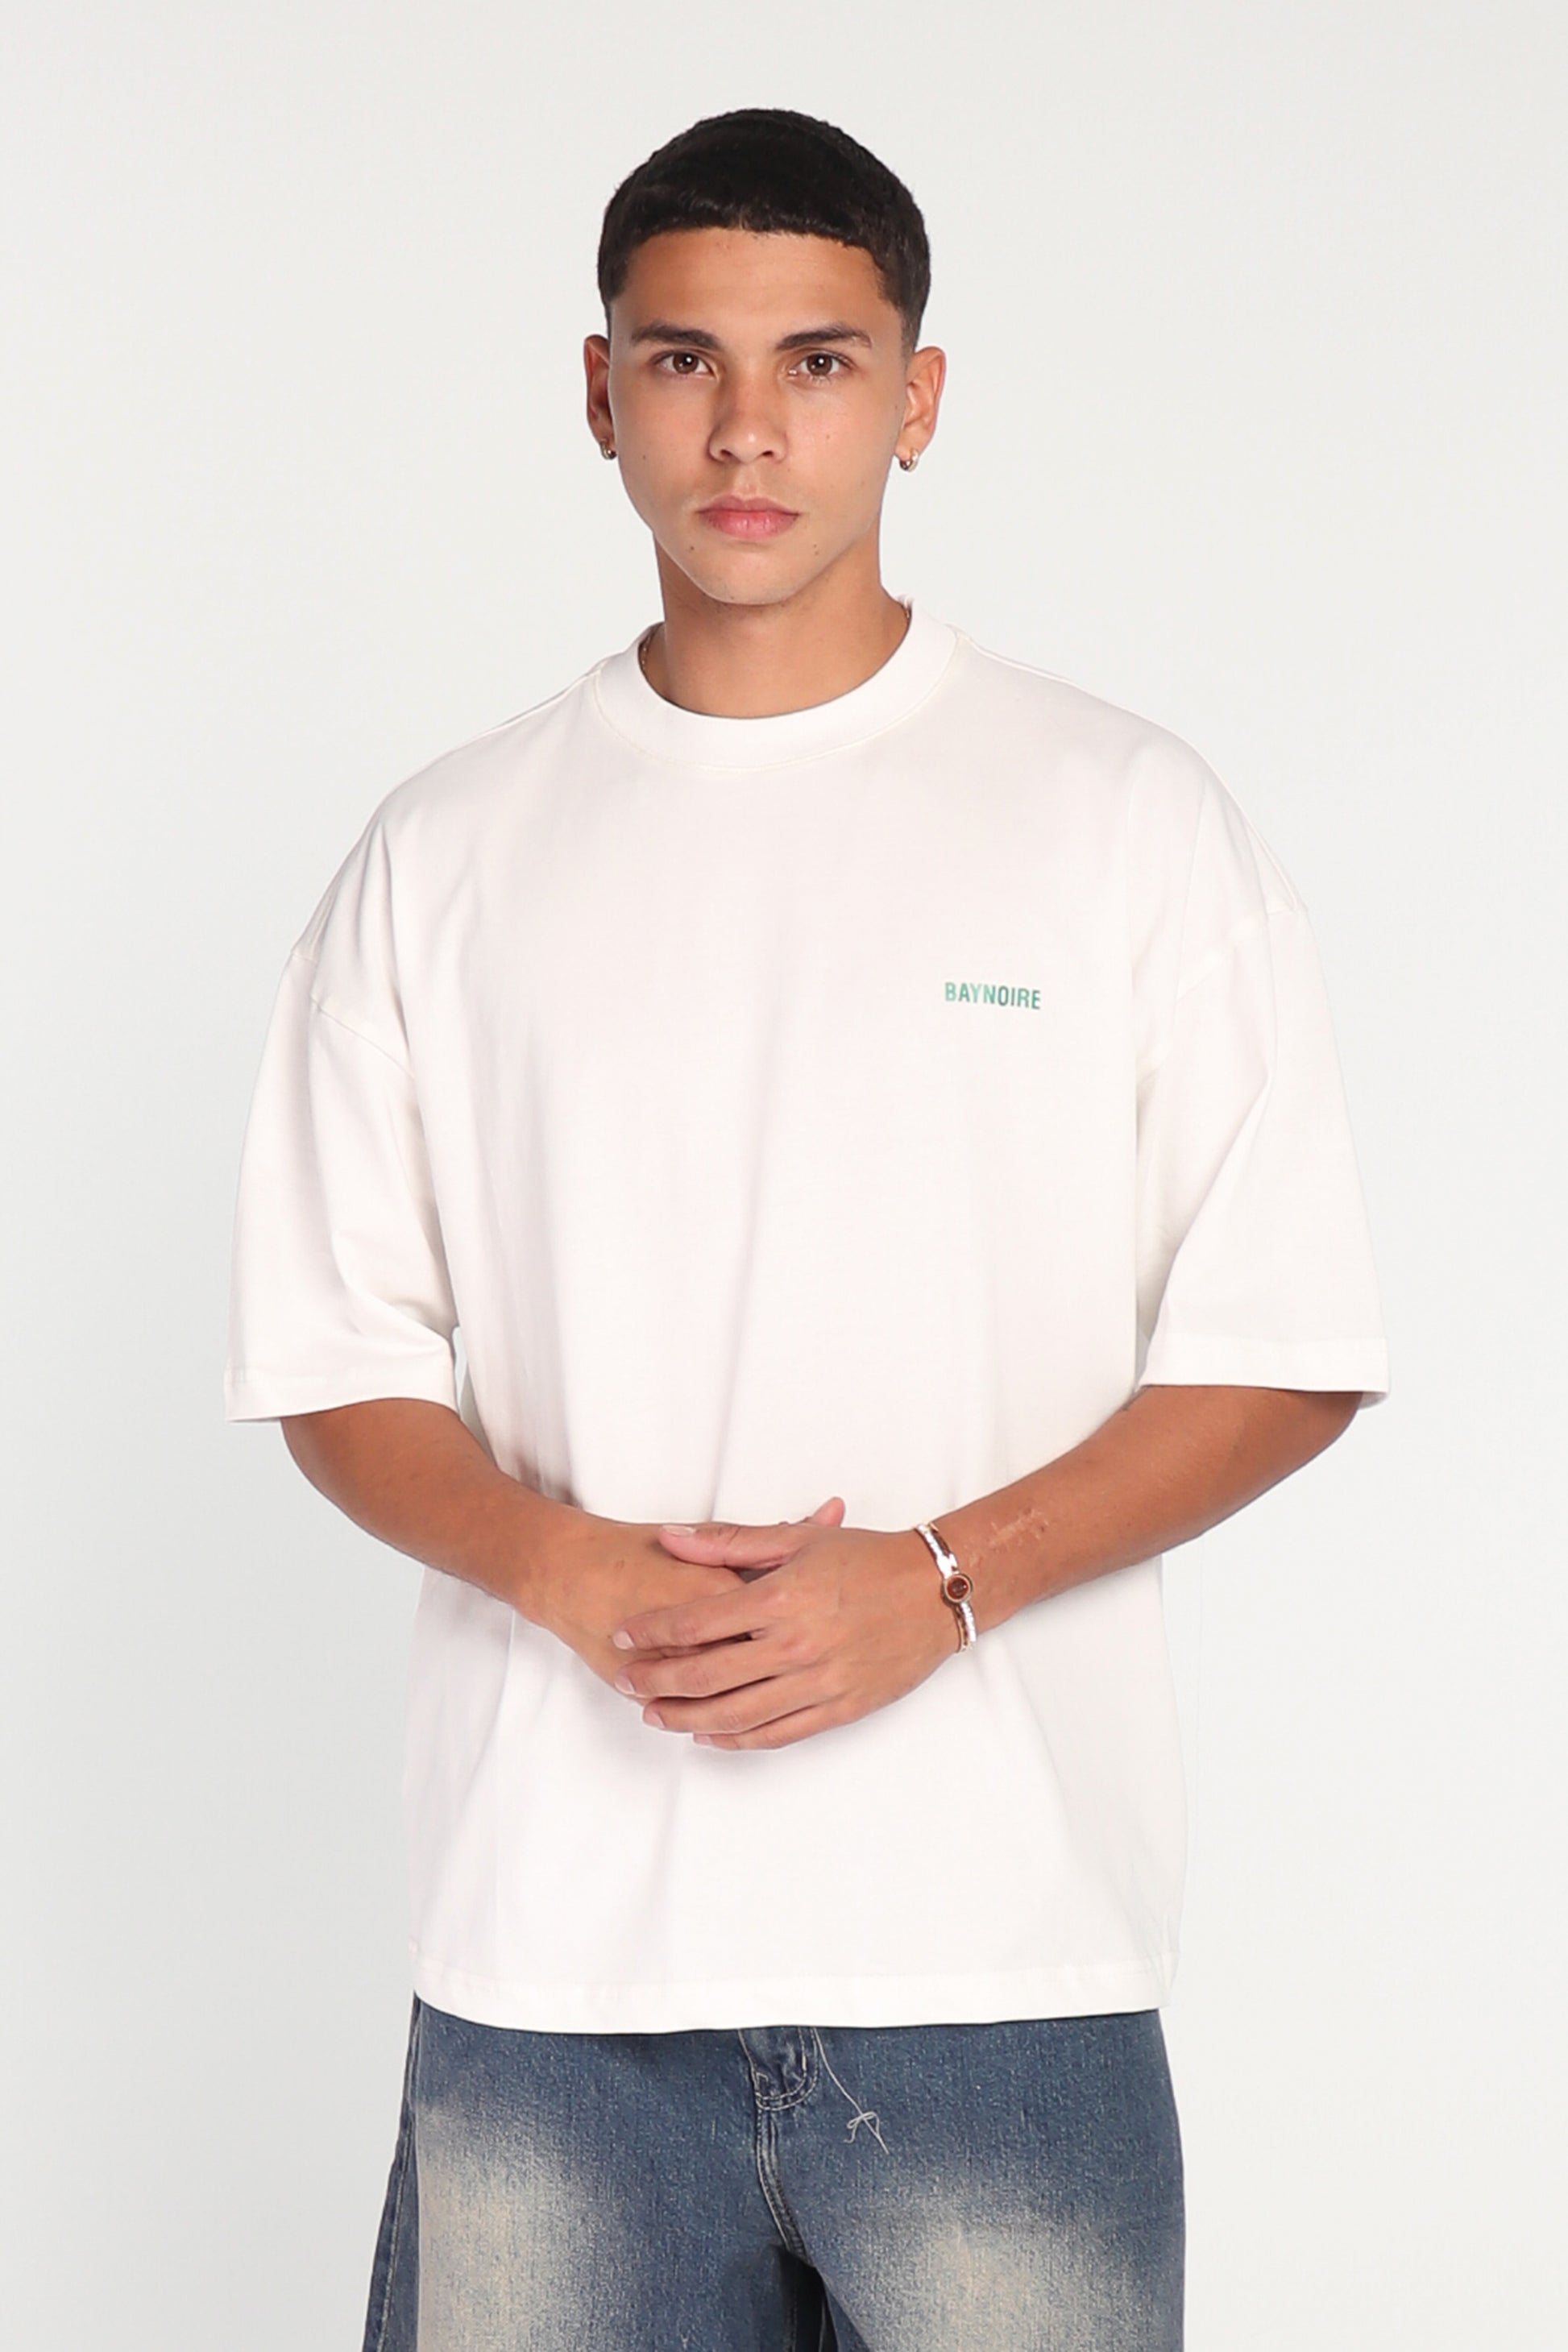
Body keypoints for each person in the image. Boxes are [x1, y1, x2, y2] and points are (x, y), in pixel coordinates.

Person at [225, 106, 1389, 2352]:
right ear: (599, 394)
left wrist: (944, 1581)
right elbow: (333, 1357)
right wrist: (562, 1565)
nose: (747, 427)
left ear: (916, 398)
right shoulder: (445, 853)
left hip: (1000, 1954)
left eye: (820, 362)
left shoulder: (1120, 820)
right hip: (555, 1967)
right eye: (684, 360)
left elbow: (1282, 1340)